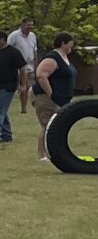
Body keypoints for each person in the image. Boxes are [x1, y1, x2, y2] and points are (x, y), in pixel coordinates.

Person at [31, 31, 79, 161]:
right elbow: (41, 75)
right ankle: (41, 155)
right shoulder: (52, 58)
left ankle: (53, 152)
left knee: (56, 126)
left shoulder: (64, 57)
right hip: (46, 97)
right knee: (47, 125)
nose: (72, 46)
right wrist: (51, 94)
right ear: (63, 43)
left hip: (62, 99)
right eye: (70, 43)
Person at [10, 19, 39, 110]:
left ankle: (24, 107)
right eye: (28, 25)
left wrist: (36, 66)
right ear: (22, 25)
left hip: (30, 66)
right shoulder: (14, 35)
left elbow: (35, 51)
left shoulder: (32, 36)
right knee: (24, 86)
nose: (30, 27)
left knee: (28, 87)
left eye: (32, 25)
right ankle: (23, 108)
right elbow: (8, 49)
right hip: (18, 66)